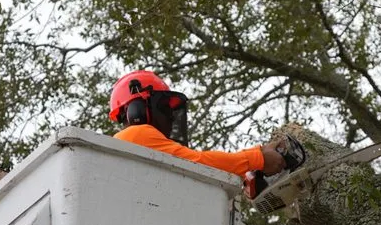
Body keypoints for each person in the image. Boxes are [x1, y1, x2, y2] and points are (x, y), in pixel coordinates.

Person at [109, 70, 287, 178]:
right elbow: (198, 163)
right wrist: (258, 159)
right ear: (137, 112)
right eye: (164, 108)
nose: (171, 117)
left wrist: (258, 153)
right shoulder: (136, 135)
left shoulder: (138, 148)